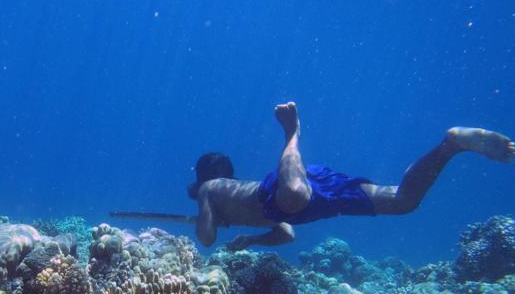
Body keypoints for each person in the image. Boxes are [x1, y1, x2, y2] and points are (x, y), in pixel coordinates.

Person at [187, 102, 515, 250]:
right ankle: (450, 146)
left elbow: (206, 239)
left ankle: (292, 132)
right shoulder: (227, 189)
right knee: (403, 200)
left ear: (205, 176)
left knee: (294, 196)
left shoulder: (210, 189)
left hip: (286, 191)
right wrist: (251, 240)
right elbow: (287, 234)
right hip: (305, 195)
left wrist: (211, 219)